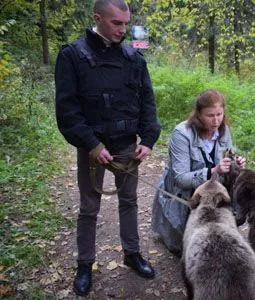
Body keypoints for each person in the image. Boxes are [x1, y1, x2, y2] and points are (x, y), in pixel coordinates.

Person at [54, 0, 161, 296]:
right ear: (97, 18)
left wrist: (149, 139)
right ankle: (85, 265)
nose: (123, 30)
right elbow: (67, 110)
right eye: (116, 23)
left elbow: (147, 102)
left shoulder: (134, 58)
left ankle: (132, 253)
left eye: (126, 23)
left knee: (129, 202)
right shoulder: (73, 56)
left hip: (127, 146)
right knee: (89, 208)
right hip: (92, 148)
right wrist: (91, 144)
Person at [151, 89, 245, 256]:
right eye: (210, 115)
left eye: (219, 114)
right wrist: (213, 171)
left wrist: (234, 165)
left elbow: (226, 158)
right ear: (199, 114)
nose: (216, 121)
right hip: (184, 191)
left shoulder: (224, 131)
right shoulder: (182, 134)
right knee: (184, 248)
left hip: (213, 186)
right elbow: (181, 178)